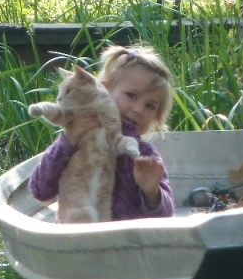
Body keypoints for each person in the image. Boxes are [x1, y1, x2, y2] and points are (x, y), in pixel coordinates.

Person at [29, 43, 175, 220]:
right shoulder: (75, 140)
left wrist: (152, 193)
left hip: (125, 242)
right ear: (104, 89)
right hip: (78, 236)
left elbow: (165, 216)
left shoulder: (143, 156)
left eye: (150, 106)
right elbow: (39, 190)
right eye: (131, 95)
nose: (138, 109)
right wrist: (68, 140)